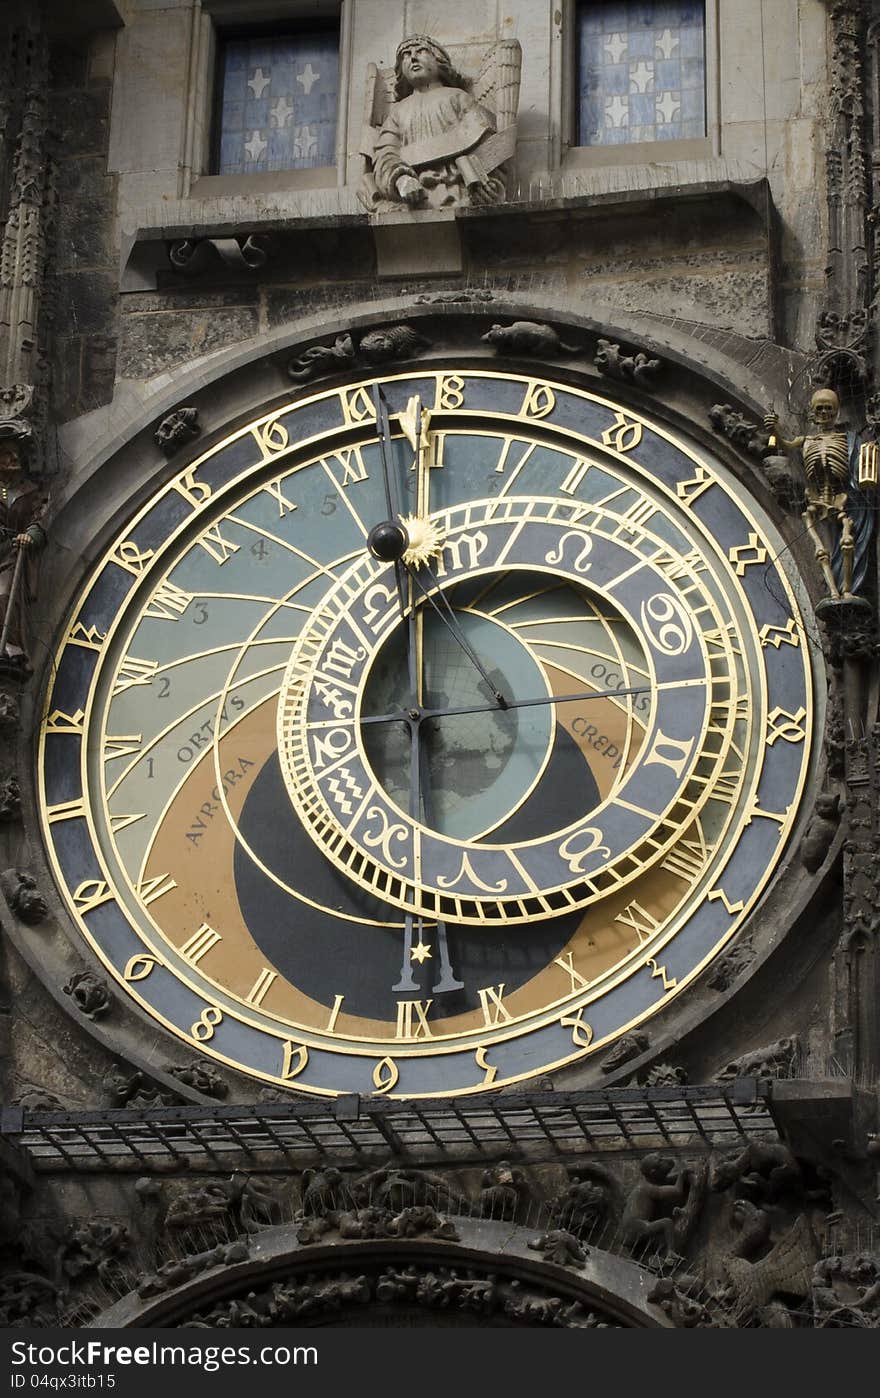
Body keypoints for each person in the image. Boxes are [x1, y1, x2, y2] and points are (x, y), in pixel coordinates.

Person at [370, 36, 505, 210]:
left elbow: (488, 142)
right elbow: (385, 155)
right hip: (416, 202)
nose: (412, 58)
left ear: (438, 60)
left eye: (421, 51)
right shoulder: (398, 112)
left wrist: (488, 183)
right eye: (405, 54)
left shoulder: (458, 97)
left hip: (460, 194)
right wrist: (401, 180)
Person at [0, 433, 49, 672]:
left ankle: (12, 647)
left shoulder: (28, 491)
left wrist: (30, 535)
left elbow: (39, 518)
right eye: (7, 454)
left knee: (4, 594)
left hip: (12, 552)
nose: (14, 457)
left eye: (15, 453)